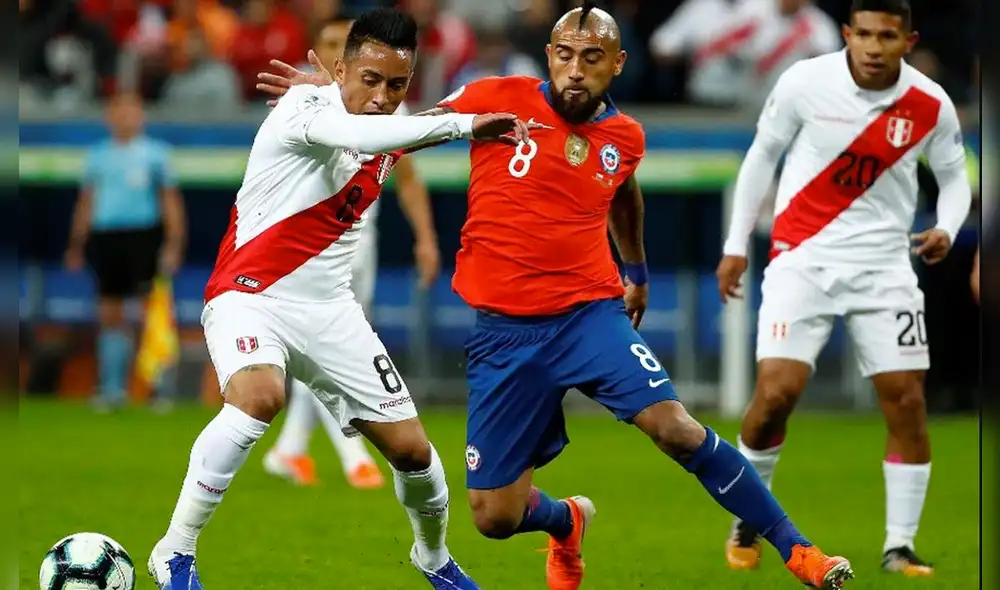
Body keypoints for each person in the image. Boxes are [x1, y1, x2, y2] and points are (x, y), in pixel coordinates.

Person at [258, 2, 853, 589]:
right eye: (564, 56)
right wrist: (332, 99)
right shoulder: (496, 96)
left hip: (588, 316)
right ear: (549, 56)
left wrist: (637, 270)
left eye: (591, 58)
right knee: (494, 516)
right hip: (502, 334)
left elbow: (622, 194)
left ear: (616, 64)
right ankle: (565, 521)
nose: (575, 69)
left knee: (675, 427)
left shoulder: (623, 136)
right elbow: (404, 127)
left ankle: (800, 552)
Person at [145, 9, 530, 590]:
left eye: (396, 86)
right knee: (259, 396)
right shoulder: (306, 109)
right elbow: (373, 133)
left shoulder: (388, 126)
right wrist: (464, 127)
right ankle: (175, 551)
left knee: (416, 456)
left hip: (331, 313)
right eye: (369, 80)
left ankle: (435, 560)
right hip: (251, 296)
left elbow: (418, 120)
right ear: (341, 69)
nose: (381, 98)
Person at [715, 0, 971, 576]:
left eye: (888, 35)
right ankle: (748, 516)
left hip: (885, 268)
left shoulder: (929, 103)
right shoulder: (805, 82)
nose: (875, 47)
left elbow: (956, 178)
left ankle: (899, 546)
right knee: (775, 396)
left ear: (909, 39)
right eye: (865, 35)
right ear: (847, 34)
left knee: (906, 402)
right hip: (801, 261)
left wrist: (948, 229)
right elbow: (762, 157)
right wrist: (736, 243)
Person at [260, 17, 441, 491]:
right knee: (318, 349)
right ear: (334, 63)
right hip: (306, 251)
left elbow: (407, 180)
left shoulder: (388, 112)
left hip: (359, 245)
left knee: (320, 351)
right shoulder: (300, 110)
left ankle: (290, 449)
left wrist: (424, 236)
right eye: (334, 47)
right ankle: (351, 454)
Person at [65, 92, 186, 412]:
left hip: (143, 236)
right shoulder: (98, 156)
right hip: (107, 237)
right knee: (110, 313)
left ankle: (160, 389)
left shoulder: (155, 154)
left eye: (130, 112)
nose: (124, 118)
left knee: (153, 312)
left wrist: (174, 243)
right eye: (118, 112)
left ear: (140, 116)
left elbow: (170, 201)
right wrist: (77, 243)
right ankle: (112, 389)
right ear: (109, 117)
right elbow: (86, 201)